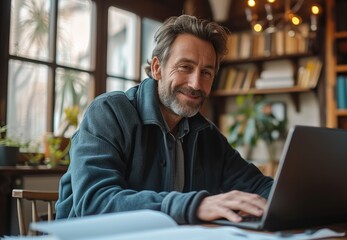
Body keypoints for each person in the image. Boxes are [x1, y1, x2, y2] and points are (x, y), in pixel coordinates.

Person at [55, 14, 273, 224]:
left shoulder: (208, 135)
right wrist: (193, 206)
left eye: (206, 73)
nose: (196, 84)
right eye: (185, 67)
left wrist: (293, 198)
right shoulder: (108, 113)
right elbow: (95, 203)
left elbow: (257, 185)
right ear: (157, 68)